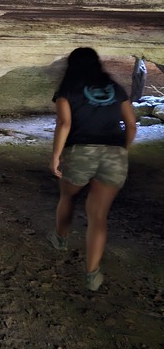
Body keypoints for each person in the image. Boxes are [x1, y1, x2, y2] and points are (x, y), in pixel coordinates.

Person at [47, 47, 137, 291]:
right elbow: (131, 124)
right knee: (98, 217)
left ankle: (61, 239)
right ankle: (92, 274)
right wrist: (121, 150)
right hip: (114, 153)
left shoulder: (68, 89)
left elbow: (64, 123)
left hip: (80, 151)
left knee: (68, 196)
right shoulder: (115, 89)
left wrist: (56, 156)